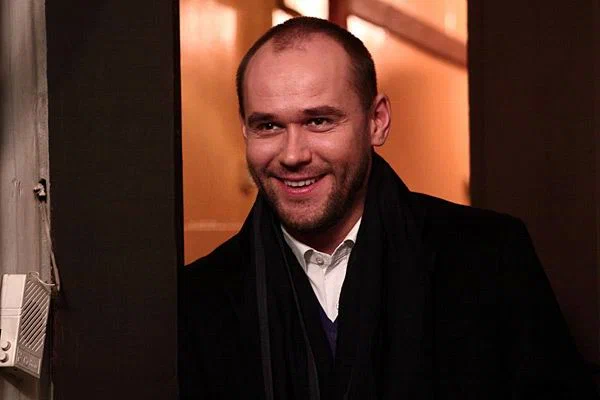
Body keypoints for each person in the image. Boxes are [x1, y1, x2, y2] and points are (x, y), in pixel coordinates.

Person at [178, 16, 598, 399]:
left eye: (319, 121)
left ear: (376, 121)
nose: (292, 154)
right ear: (245, 131)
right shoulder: (199, 298)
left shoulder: (489, 257)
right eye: (268, 125)